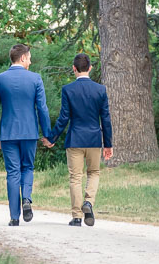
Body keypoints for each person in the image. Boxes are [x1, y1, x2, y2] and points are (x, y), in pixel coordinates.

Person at [45, 52, 113, 227]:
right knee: (94, 173)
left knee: (75, 177)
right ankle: (88, 203)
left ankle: (76, 217)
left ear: (74, 69)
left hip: (75, 139)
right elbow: (105, 119)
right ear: (90, 68)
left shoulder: (68, 90)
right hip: (94, 140)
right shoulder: (100, 90)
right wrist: (108, 144)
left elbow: (64, 118)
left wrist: (52, 137)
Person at [0, 43, 53, 226]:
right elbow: (42, 108)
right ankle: (26, 199)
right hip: (29, 132)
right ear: (23, 57)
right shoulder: (35, 79)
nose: (30, 62)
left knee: (12, 173)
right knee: (28, 168)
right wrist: (47, 134)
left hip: (7, 134)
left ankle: (14, 217)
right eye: (30, 58)